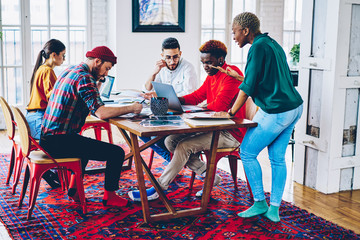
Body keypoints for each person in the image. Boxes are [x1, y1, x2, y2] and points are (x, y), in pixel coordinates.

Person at [128, 40, 247, 201]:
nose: (205, 67)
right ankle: (211, 177)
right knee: (170, 141)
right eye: (203, 63)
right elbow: (198, 96)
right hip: (213, 126)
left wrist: (191, 110)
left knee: (184, 146)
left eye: (209, 63)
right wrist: (173, 100)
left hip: (230, 132)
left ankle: (159, 188)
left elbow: (218, 106)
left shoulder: (230, 74)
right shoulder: (213, 74)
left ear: (220, 60)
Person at [216, 12, 303, 222]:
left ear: (246, 31)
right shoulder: (271, 43)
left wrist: (230, 113)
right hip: (294, 107)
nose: (234, 37)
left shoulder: (257, 47)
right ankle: (274, 209)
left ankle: (259, 203)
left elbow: (247, 88)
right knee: (277, 158)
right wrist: (239, 78)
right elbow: (266, 78)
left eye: (235, 32)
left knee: (246, 151)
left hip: (277, 110)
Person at [40, 46, 143, 207]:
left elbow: (90, 100)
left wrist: (98, 83)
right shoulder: (84, 78)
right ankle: (110, 196)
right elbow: (100, 113)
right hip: (59, 141)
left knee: (84, 145)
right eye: (106, 68)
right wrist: (131, 108)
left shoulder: (72, 70)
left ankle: (74, 191)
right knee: (116, 153)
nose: (106, 73)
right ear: (97, 61)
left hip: (48, 137)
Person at [142, 37, 199, 162]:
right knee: (143, 132)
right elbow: (147, 88)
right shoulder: (161, 68)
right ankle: (169, 158)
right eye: (168, 57)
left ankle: (177, 159)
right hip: (165, 111)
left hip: (182, 113)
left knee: (156, 135)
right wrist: (154, 72)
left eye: (175, 57)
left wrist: (162, 97)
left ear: (180, 54)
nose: (172, 61)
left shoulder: (188, 68)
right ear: (162, 55)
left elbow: (189, 95)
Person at [26, 39, 66, 189]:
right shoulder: (47, 71)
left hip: (33, 116)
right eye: (63, 55)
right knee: (63, 142)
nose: (63, 59)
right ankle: (51, 171)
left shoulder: (42, 69)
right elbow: (53, 98)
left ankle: (54, 172)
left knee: (61, 139)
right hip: (38, 118)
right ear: (54, 55)